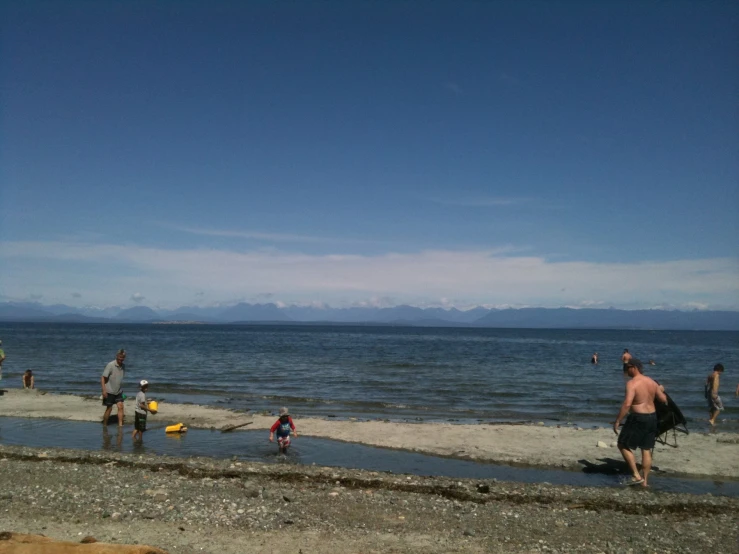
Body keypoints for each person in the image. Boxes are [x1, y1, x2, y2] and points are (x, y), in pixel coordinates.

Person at [613, 358, 667, 487]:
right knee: (646, 449)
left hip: (638, 417)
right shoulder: (652, 382)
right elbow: (663, 400)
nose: (626, 371)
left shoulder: (632, 383)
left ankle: (636, 475)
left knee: (622, 444)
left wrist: (618, 421)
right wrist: (661, 390)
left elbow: (627, 404)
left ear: (634, 367)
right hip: (652, 417)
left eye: (627, 368)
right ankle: (645, 482)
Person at [101, 349, 126, 426]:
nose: (121, 359)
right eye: (120, 357)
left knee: (120, 406)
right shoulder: (110, 365)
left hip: (118, 391)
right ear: (117, 356)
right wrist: (104, 390)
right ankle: (105, 424)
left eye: (122, 357)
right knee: (109, 408)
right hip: (109, 391)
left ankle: (120, 425)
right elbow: (103, 378)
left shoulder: (123, 366)